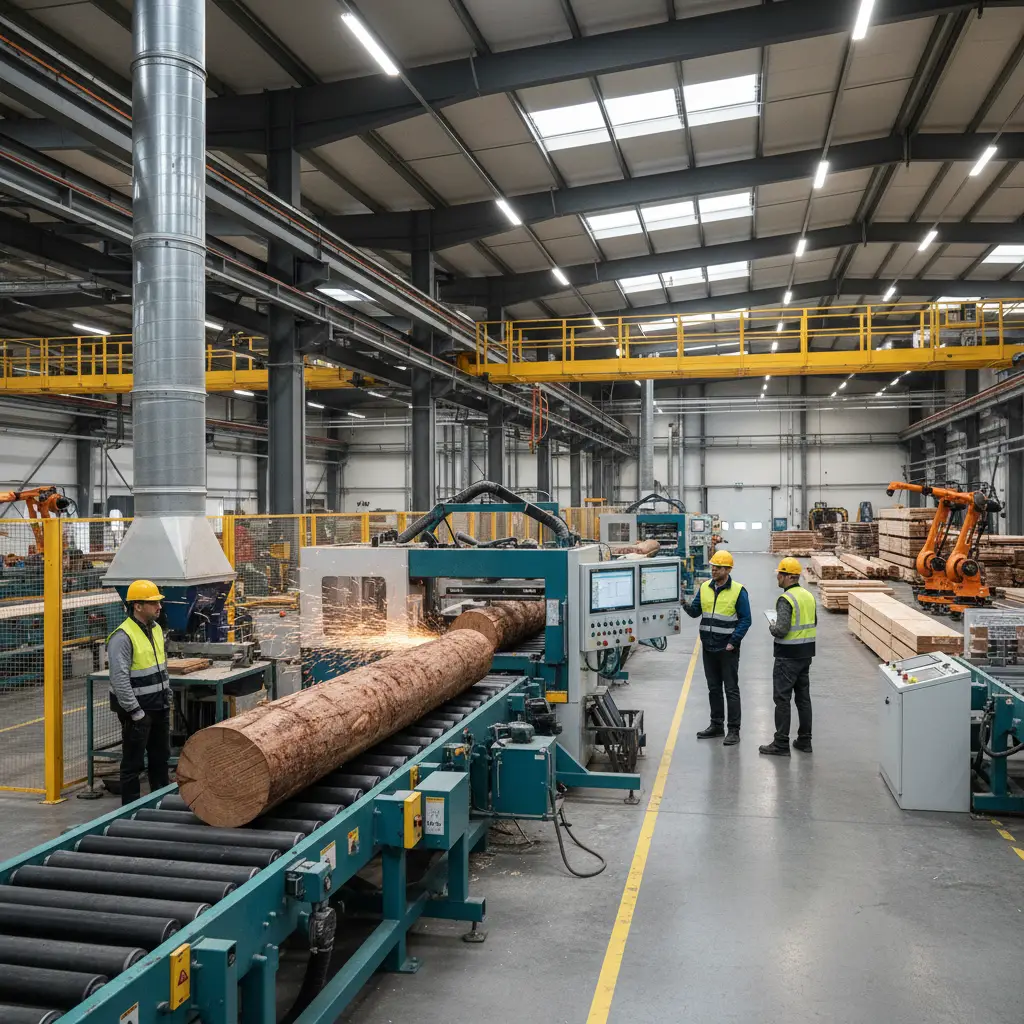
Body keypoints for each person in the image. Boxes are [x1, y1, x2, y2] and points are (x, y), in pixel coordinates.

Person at [107, 579, 171, 804]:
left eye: (158, 603)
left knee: (160, 760)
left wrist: (167, 695)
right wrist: (135, 712)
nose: (159, 607)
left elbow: (160, 666)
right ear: (137, 606)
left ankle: (161, 805)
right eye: (153, 603)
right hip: (138, 713)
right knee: (133, 765)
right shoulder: (122, 636)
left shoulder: (156, 629)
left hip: (159, 706)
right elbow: (119, 679)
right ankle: (130, 812)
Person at [685, 550, 751, 745]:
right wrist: (682, 602)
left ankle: (734, 730)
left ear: (728, 570)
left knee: (730, 689)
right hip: (709, 647)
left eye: (718, 567)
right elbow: (695, 612)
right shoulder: (705, 587)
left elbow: (746, 619)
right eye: (713, 566)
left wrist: (734, 641)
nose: (713, 570)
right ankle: (716, 725)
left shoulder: (739, 591)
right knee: (713, 688)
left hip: (727, 648)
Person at [760, 557, 816, 757]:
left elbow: (782, 630)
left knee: (782, 699)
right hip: (806, 654)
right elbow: (812, 621)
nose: (778, 577)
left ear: (789, 577)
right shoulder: (808, 596)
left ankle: (781, 743)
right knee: (803, 699)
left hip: (788, 656)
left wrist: (772, 627)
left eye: (780, 574)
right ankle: (804, 740)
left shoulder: (786, 599)